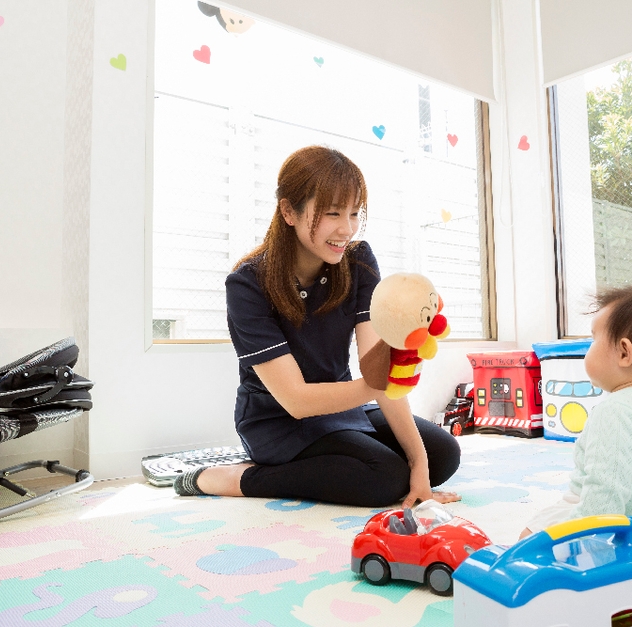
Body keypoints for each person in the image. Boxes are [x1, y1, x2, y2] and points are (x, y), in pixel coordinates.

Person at [174, 145, 461, 508]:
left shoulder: (358, 261)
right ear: (288, 211)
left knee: (442, 454)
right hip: (279, 421)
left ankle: (391, 463)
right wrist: (383, 380)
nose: (347, 228)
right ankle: (236, 477)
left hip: (345, 405)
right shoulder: (247, 285)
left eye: (355, 212)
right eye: (332, 213)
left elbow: (377, 368)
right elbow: (296, 400)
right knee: (384, 477)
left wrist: (419, 464)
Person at [519, 285, 632, 541]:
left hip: (626, 529)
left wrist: (578, 539)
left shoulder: (615, 411)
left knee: (529, 535)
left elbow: (604, 495)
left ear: (624, 352)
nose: (588, 348)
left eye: (594, 339)